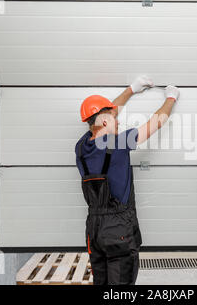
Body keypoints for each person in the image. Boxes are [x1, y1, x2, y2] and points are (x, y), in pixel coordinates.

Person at [75, 75, 180, 285]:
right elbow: (156, 123)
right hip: (118, 230)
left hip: (94, 230)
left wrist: (132, 89)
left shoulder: (81, 147)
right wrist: (171, 98)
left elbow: (106, 114)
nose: (119, 120)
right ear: (105, 122)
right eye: (114, 119)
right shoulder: (119, 144)